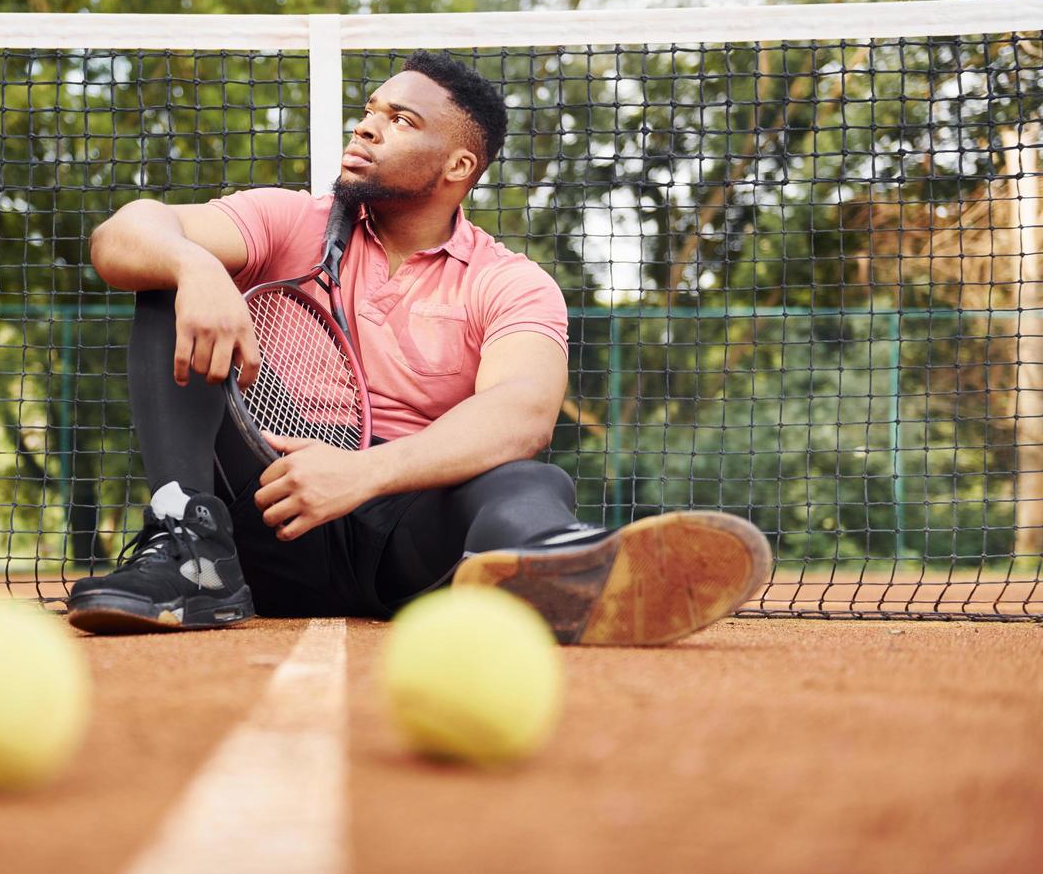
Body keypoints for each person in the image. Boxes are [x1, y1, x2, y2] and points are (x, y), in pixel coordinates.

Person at [67, 50, 771, 645]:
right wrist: (195, 267)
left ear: (458, 165)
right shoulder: (289, 221)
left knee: (524, 481)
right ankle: (192, 556)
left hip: (403, 536)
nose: (369, 127)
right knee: (164, 285)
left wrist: (365, 472)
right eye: (372, 110)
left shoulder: (512, 282)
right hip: (265, 514)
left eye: (401, 120)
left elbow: (523, 410)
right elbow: (123, 235)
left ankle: (552, 567)